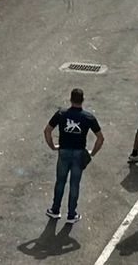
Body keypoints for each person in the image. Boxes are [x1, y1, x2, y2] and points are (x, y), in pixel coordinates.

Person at [44, 87, 103, 223]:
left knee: (60, 181)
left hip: (63, 151)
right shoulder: (88, 117)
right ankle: (71, 214)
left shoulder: (61, 114)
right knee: (74, 184)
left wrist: (52, 146)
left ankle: (55, 209)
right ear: (82, 100)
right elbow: (100, 138)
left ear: (70, 99)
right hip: (79, 153)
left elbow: (47, 131)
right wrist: (92, 153)